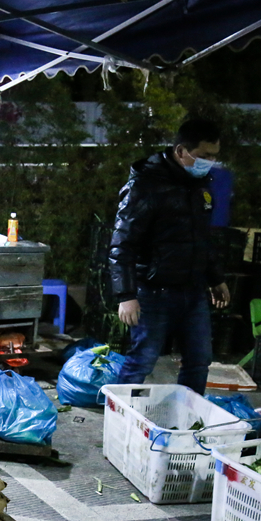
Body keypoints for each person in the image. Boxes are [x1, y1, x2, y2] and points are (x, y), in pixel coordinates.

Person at [108, 118, 229, 395]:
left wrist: (215, 278)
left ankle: (189, 414)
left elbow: (201, 238)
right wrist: (126, 295)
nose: (210, 162)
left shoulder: (199, 186)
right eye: (204, 155)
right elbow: (122, 244)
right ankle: (117, 413)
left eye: (214, 156)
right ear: (180, 151)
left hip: (193, 290)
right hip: (153, 291)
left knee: (199, 360)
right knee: (142, 360)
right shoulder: (145, 186)